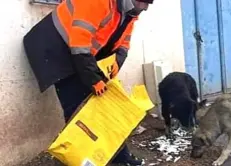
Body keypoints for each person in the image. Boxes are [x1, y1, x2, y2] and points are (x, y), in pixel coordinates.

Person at [23, 0, 154, 165]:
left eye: (147, 3)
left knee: (103, 106)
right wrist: (94, 80)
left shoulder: (129, 13)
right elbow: (79, 45)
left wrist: (117, 60)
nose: (144, 8)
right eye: (141, 2)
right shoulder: (97, 2)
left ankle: (120, 158)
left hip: (80, 54)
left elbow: (124, 42)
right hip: (53, 48)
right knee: (79, 109)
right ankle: (78, 159)